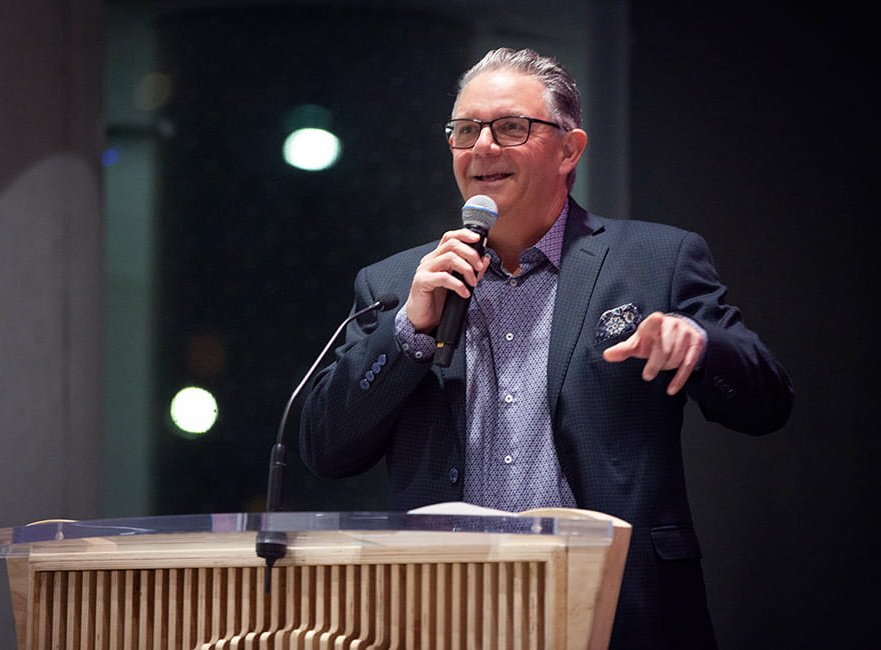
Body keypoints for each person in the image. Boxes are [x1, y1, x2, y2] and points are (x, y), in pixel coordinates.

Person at [299, 47, 793, 649]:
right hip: (442, 613)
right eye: (465, 130)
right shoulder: (398, 282)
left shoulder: (655, 260)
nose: (483, 147)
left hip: (615, 606)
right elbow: (326, 448)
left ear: (569, 150)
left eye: (511, 127)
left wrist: (702, 348)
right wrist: (409, 330)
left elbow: (767, 404)